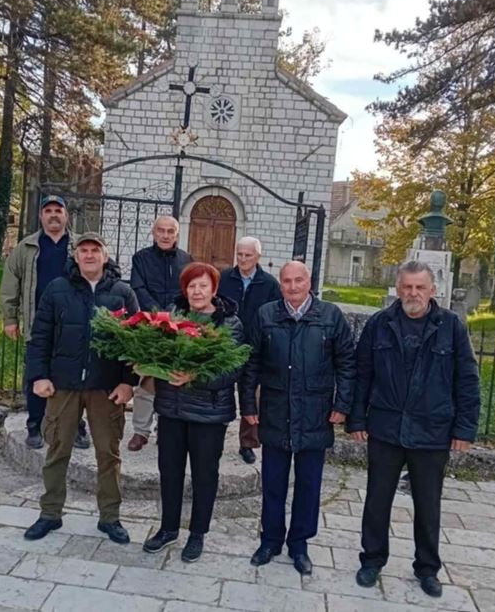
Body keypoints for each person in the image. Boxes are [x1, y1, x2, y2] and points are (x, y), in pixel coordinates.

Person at [347, 260, 479, 598]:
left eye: (420, 287)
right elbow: (363, 375)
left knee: (428, 503)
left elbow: (467, 380)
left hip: (431, 430)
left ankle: (427, 568)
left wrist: (464, 429)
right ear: (397, 288)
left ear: (432, 290)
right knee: (377, 500)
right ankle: (372, 559)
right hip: (387, 427)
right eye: (407, 287)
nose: (413, 293)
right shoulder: (380, 324)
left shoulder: (451, 327)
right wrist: (357, 419)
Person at [23, 233, 139, 544]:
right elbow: (40, 337)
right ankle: (50, 513)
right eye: (83, 250)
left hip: (106, 388)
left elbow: (135, 342)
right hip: (63, 385)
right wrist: (39, 376)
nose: (89, 255)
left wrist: (129, 382)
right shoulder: (57, 290)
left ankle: (110, 517)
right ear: (75, 256)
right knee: (57, 449)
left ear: (106, 255)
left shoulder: (122, 293)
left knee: (109, 454)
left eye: (95, 250)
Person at [241, 261, 356, 575]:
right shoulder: (265, 315)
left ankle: (300, 543)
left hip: (315, 412)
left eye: (299, 280)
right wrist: (248, 405)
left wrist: (342, 404)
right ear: (280, 284)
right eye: (287, 281)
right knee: (273, 482)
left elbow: (347, 363)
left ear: (309, 281)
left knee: (309, 484)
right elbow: (250, 364)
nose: (293, 286)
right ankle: (270, 540)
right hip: (276, 410)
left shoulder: (330, 316)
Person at [142, 262, 245, 563]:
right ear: (184, 290)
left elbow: (231, 369)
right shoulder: (171, 319)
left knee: (204, 475)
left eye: (203, 285)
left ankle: (197, 533)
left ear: (214, 289)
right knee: (169, 472)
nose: (197, 291)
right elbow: (157, 354)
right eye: (191, 286)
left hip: (208, 414)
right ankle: (168, 528)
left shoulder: (229, 323)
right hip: (172, 410)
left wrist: (194, 377)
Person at [0, 195, 90, 451]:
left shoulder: (79, 246)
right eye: (48, 210)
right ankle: (35, 426)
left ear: (66, 215)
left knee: (74, 378)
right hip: (37, 322)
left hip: (72, 326)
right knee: (36, 375)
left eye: (58, 210)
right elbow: (10, 282)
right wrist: (10, 318)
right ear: (40, 216)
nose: (53, 215)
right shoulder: (27, 247)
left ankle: (76, 427)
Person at [127, 216, 192, 452]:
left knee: (172, 378)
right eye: (161, 231)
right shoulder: (141, 258)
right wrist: (158, 315)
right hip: (149, 325)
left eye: (170, 231)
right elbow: (138, 287)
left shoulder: (187, 260)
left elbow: (188, 291)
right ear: (154, 233)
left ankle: (165, 430)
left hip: (178, 327)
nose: (165, 235)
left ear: (177, 234)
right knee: (147, 378)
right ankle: (141, 431)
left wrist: (174, 316)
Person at [219, 237, 281, 465]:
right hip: (227, 345)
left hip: (255, 347)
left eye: (248, 255)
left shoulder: (270, 284)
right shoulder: (224, 278)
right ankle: (216, 434)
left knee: (251, 396)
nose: (243, 259)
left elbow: (275, 314)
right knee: (222, 392)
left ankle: (248, 443)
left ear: (258, 257)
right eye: (240, 254)